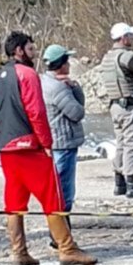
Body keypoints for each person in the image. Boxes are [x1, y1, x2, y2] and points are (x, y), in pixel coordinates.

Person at [0, 31, 96, 265]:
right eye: (31, 49)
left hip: (6, 148)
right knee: (52, 196)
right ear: (19, 51)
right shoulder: (28, 75)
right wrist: (46, 144)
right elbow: (36, 112)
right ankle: (67, 248)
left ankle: (19, 251)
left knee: (14, 202)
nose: (34, 54)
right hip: (29, 147)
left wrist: (0, 138)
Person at [101, 22, 133, 199]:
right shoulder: (127, 57)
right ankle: (132, 184)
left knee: (121, 144)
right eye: (130, 36)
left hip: (115, 106)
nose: (132, 39)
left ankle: (119, 183)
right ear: (124, 38)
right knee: (132, 144)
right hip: (129, 106)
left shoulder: (107, 58)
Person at [40, 43, 86, 247]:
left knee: (57, 191)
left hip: (53, 143)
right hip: (63, 143)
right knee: (64, 194)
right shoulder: (58, 88)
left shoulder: (43, 82)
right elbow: (77, 112)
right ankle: (62, 239)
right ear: (61, 64)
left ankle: (59, 237)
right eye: (67, 61)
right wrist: (75, 87)